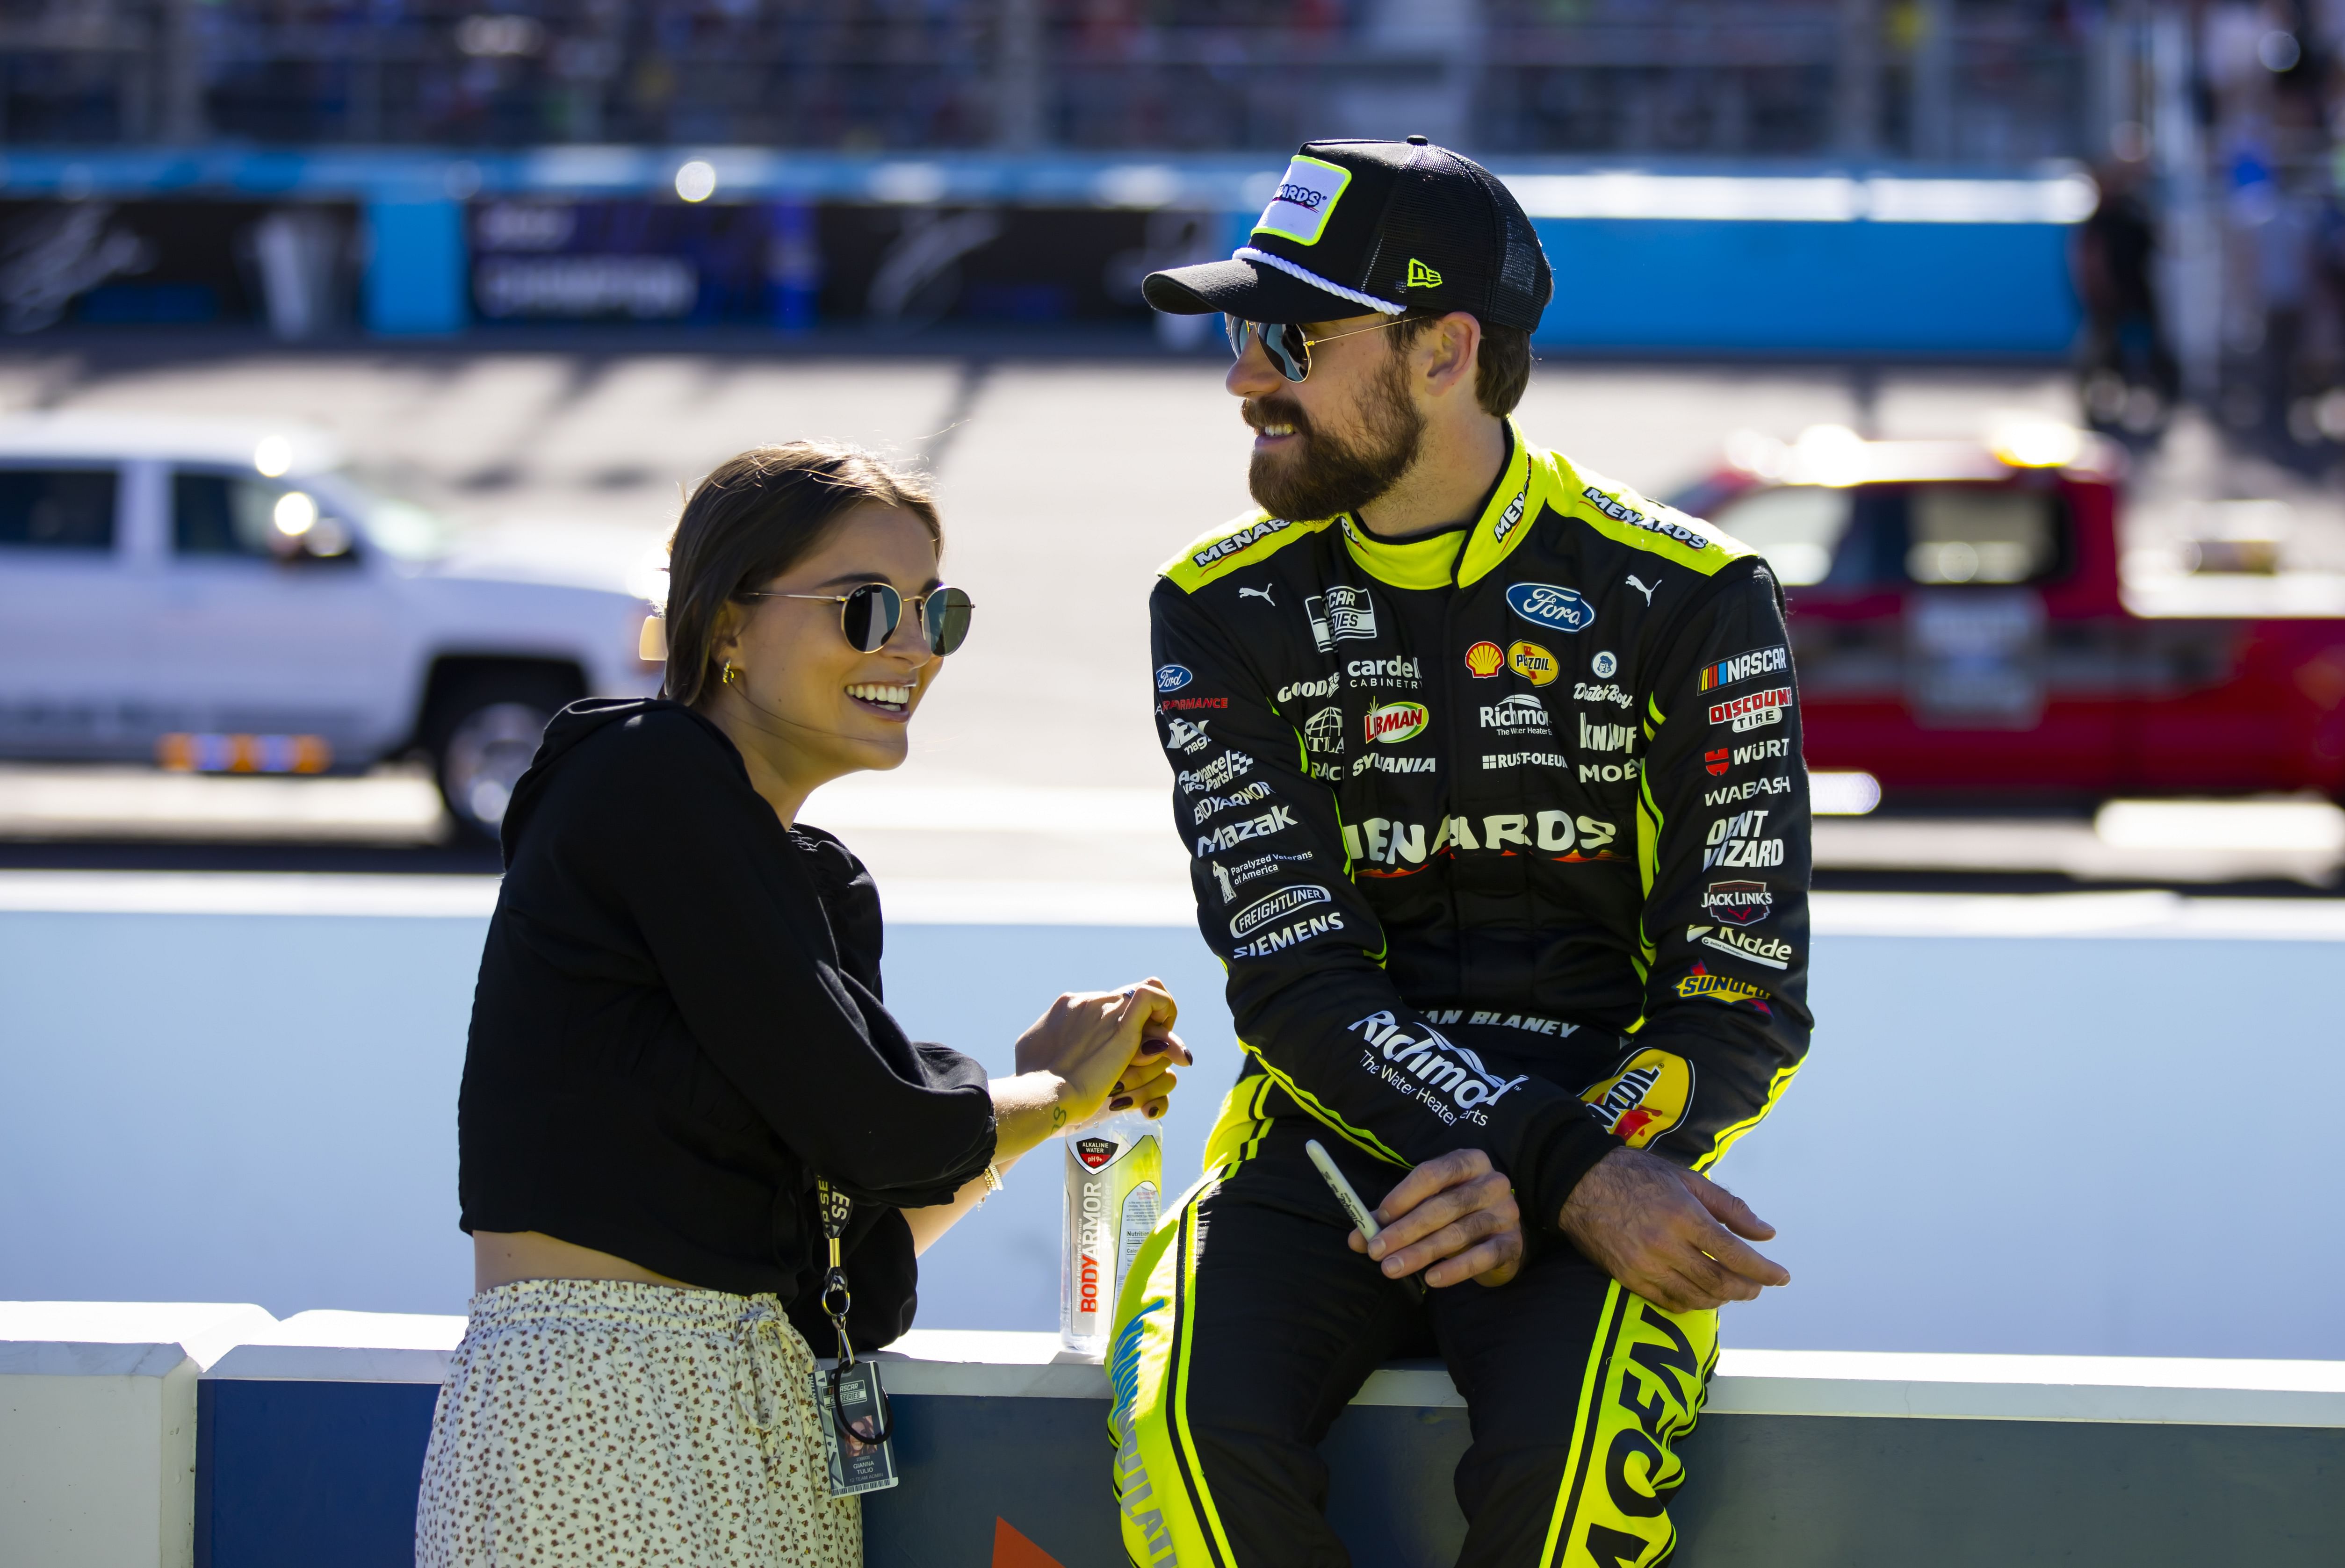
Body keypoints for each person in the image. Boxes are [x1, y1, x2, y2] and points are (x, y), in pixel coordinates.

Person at [1108, 138, 1811, 1567]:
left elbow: (1740, 995)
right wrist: (1539, 1163)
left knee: (1569, 1505)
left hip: (1621, 1121)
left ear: (1446, 349)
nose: (1245, 377)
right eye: (1243, 334)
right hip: (1330, 1130)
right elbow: (1296, 982)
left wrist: (1573, 1160)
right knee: (1184, 1443)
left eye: (1290, 336)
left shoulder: (1691, 594)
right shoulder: (1219, 608)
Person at [415, 441, 1190, 1568]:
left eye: (939, 612)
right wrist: (1043, 1093)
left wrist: (1049, 1112)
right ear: (726, 624)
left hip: (767, 1427)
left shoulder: (798, 874)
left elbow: (852, 1237)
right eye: (869, 607)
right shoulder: (645, 774)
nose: (916, 648)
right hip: (606, 1418)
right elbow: (880, 1133)